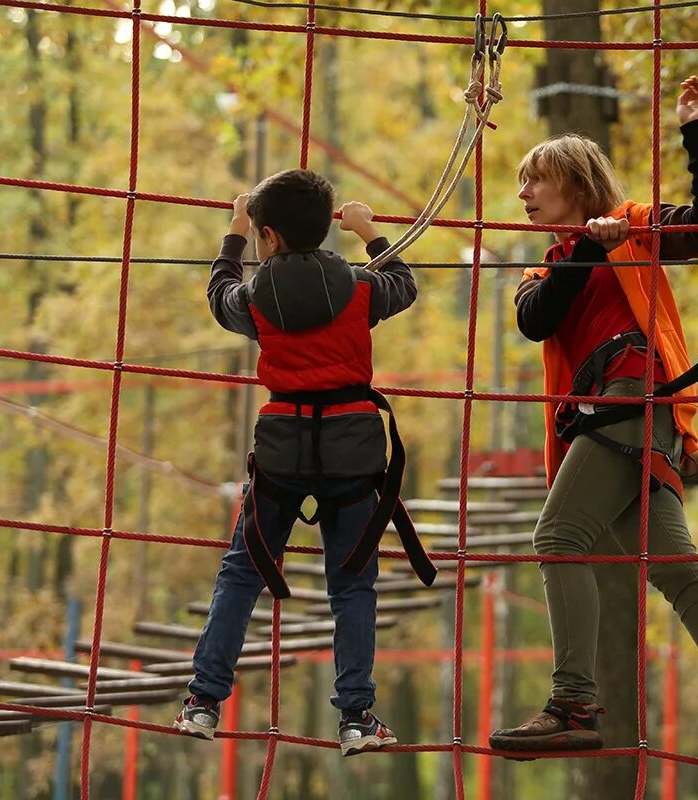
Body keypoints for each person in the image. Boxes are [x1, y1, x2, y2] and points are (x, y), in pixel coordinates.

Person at [487, 77, 698, 762]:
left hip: (630, 399)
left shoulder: (634, 225)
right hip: (610, 418)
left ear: (575, 182)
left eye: (535, 182)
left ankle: (572, 702)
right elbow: (535, 322)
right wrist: (588, 250)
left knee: (558, 537)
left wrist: (697, 132)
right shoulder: (549, 266)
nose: (523, 196)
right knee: (678, 572)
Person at [173, 168, 432, 756]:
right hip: (352, 448)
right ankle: (357, 716)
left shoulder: (255, 297)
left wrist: (232, 234)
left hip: (282, 448)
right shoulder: (361, 288)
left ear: (270, 239)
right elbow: (404, 286)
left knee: (242, 572)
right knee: (353, 584)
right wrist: (372, 233)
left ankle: (203, 701)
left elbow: (219, 297)